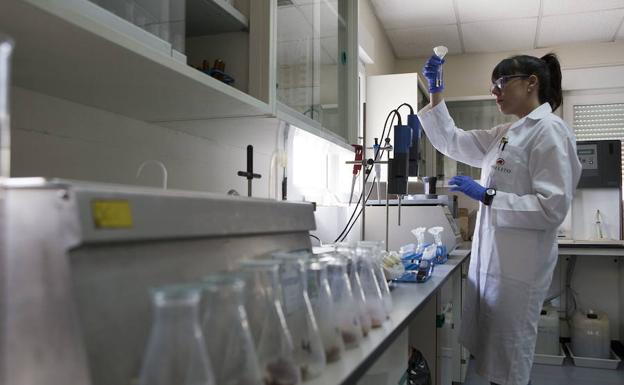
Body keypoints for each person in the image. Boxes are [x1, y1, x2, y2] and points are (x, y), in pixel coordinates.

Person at [417, 53, 582, 385]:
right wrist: (435, 91)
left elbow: (552, 208)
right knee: (497, 362)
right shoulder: (507, 133)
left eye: (502, 82)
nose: (495, 91)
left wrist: (488, 196)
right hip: (495, 267)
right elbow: (452, 141)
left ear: (531, 82)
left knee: (509, 363)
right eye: (493, 84)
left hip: (519, 273)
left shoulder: (550, 131)